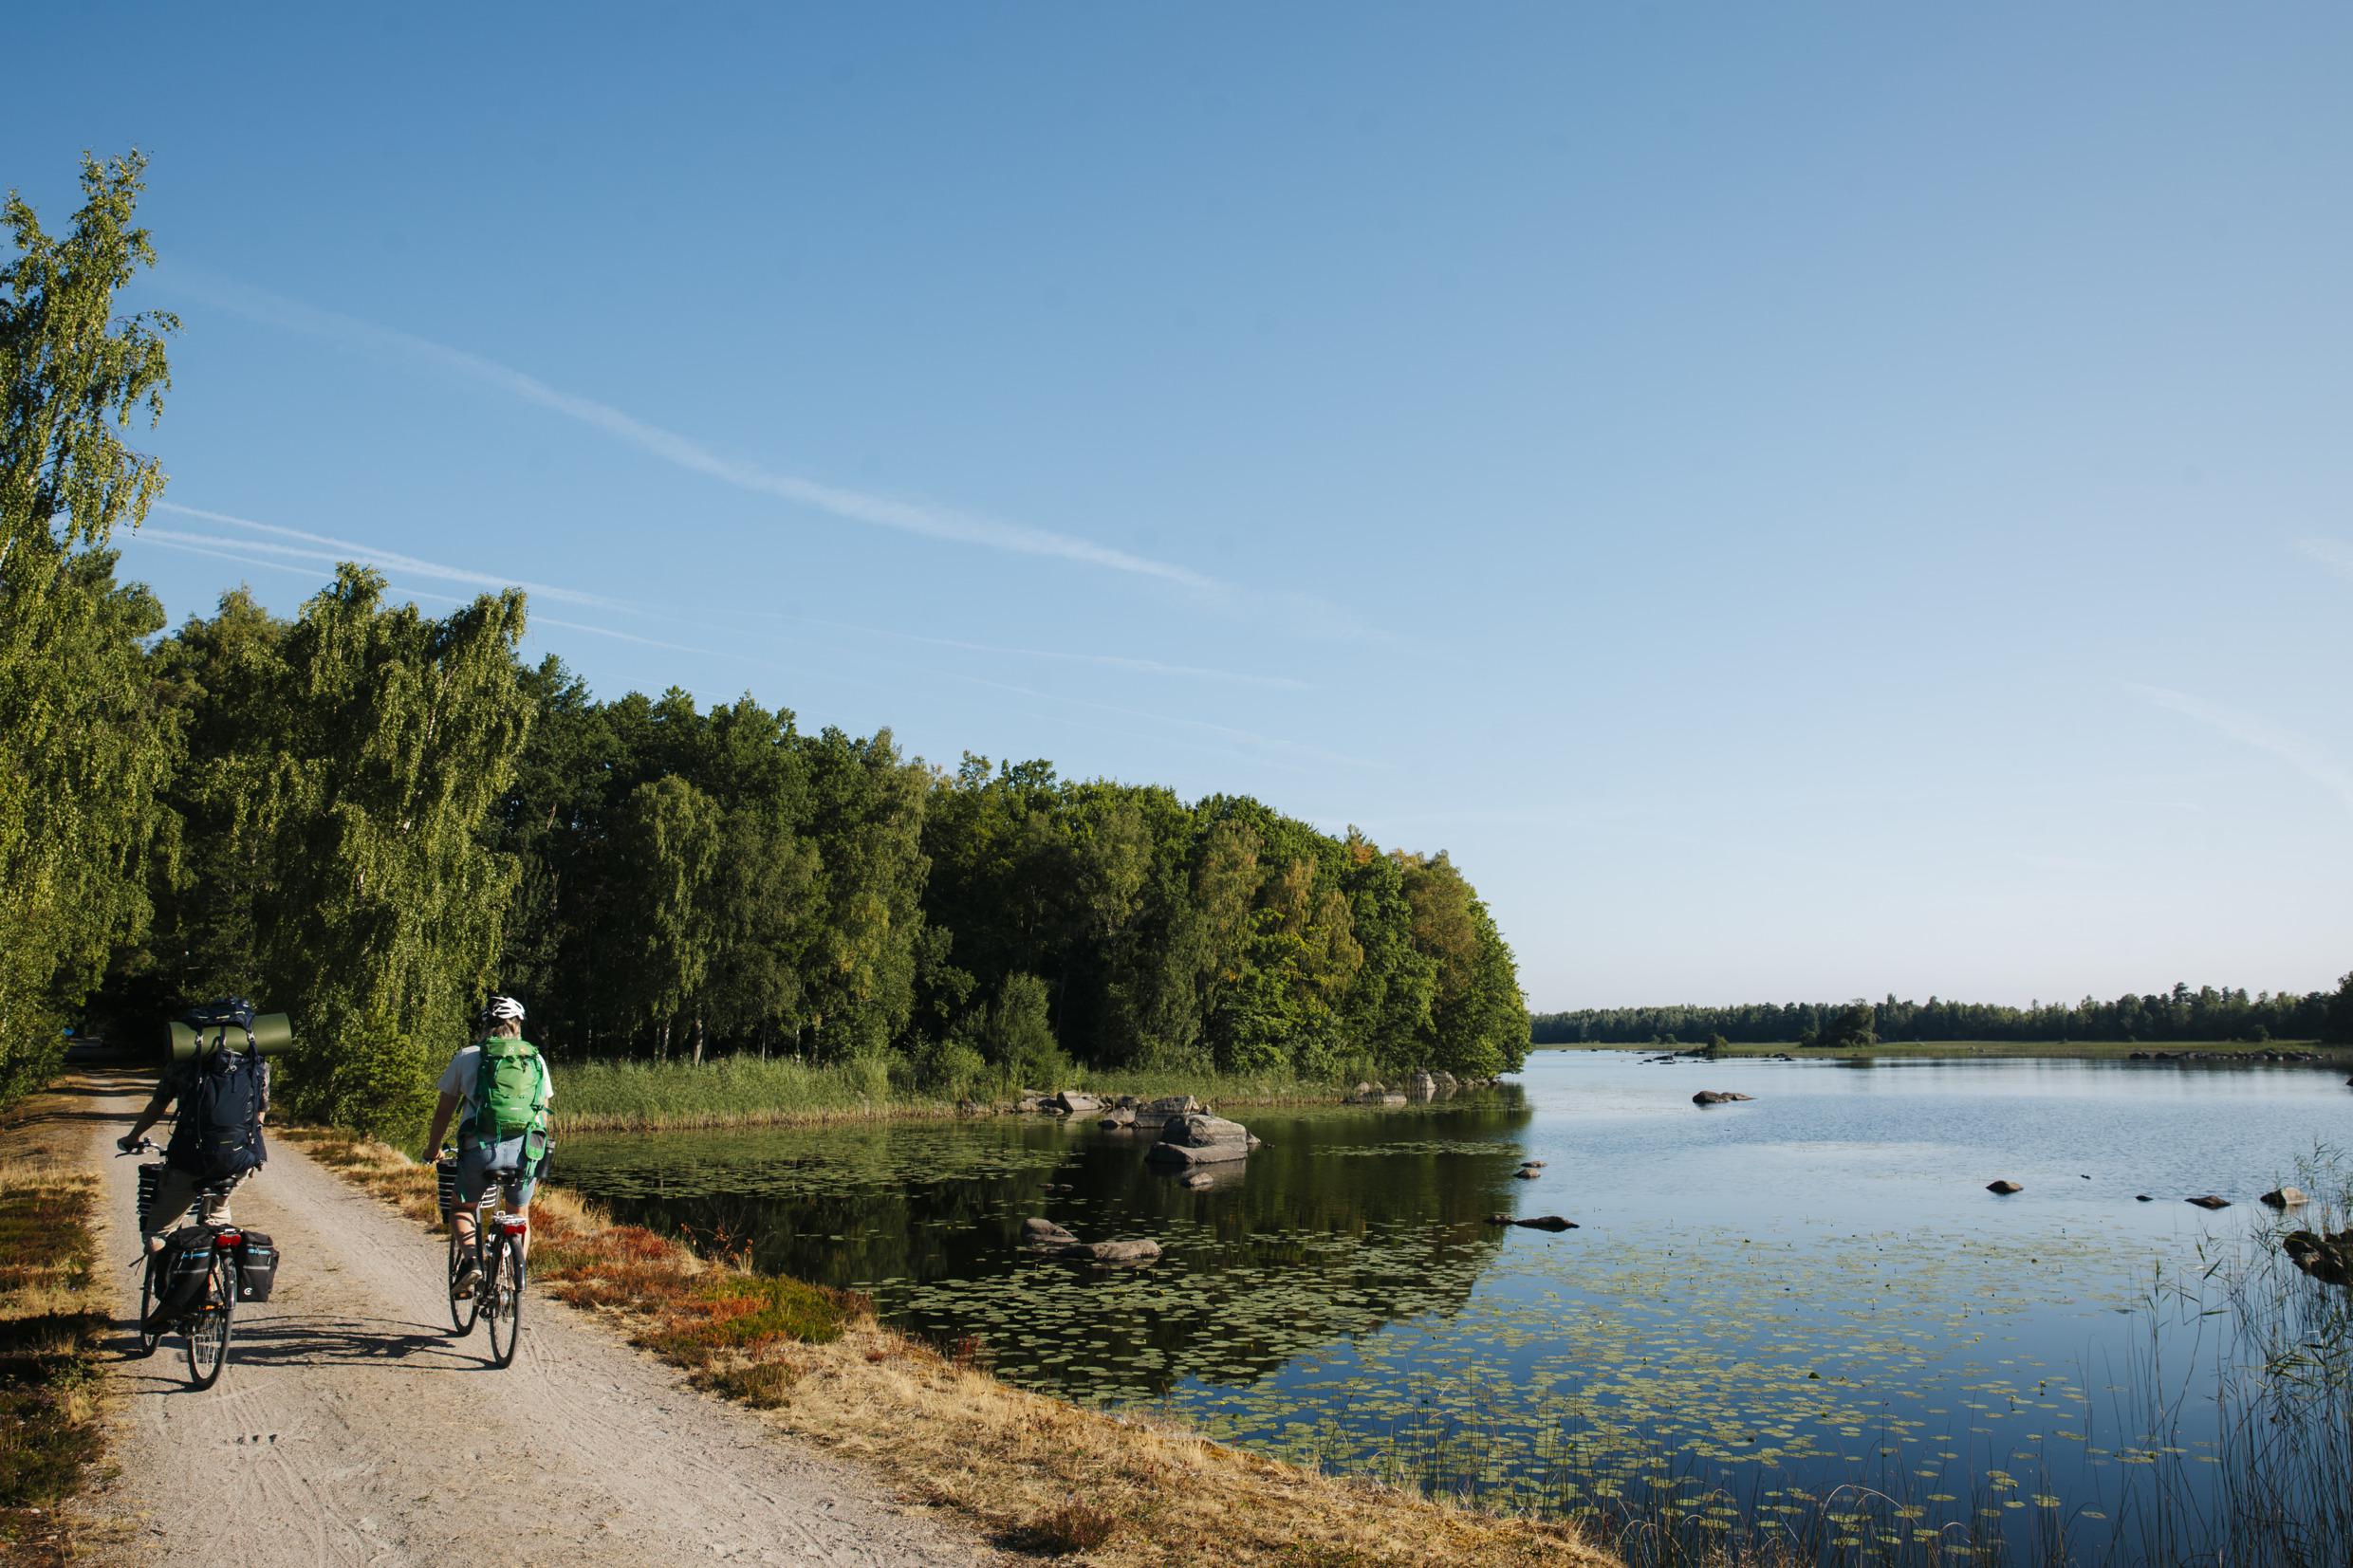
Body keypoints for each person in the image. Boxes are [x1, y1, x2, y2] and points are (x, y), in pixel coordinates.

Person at [421, 995, 554, 1292]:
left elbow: (443, 1112)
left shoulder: (467, 1056)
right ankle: (511, 1282)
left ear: (486, 1026)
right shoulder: (535, 1059)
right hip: (525, 1153)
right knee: (520, 1216)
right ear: (518, 1025)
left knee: (462, 1208)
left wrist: (432, 1150)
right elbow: (543, 1115)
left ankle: (472, 1262)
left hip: (480, 1151)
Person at [117, 1005, 271, 1252]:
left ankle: (167, 1283)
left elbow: (157, 1106)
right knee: (218, 1218)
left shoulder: (184, 1063)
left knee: (158, 1233)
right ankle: (217, 1276)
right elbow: (260, 1113)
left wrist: (133, 1137)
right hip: (238, 1160)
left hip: (190, 1159)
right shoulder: (256, 1064)